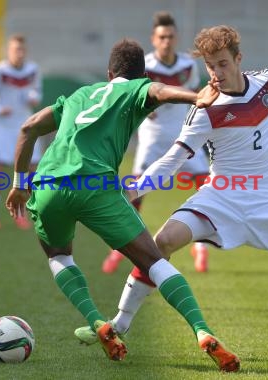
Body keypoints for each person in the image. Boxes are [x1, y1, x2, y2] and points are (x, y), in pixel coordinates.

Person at [75, 25, 268, 362]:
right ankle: (119, 324)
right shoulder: (204, 107)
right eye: (211, 66)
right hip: (220, 198)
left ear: (239, 59)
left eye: (223, 64)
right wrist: (135, 188)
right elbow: (173, 159)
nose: (217, 73)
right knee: (161, 243)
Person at [5, 39, 240, 372]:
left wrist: (18, 184)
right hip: (97, 186)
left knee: (59, 255)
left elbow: (28, 127)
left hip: (47, 185)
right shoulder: (137, 89)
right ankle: (202, 331)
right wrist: (195, 96)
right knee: (154, 262)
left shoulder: (78, 95)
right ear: (140, 73)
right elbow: (159, 91)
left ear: (108, 72)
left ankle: (97, 321)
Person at [101, 11, 211, 274]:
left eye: (171, 36)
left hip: (184, 136)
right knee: (137, 193)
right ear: (154, 39)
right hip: (151, 138)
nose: (167, 41)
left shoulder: (187, 65)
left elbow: (194, 97)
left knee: (207, 187)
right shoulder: (144, 67)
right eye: (162, 37)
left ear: (176, 38)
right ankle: (119, 249)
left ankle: (201, 247)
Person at [0, 34, 45, 231]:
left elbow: (37, 92)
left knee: (32, 170)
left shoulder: (33, 70)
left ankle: (23, 213)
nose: (19, 53)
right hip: (3, 127)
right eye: (15, 49)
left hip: (26, 125)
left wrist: (34, 97)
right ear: (8, 51)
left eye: (22, 49)